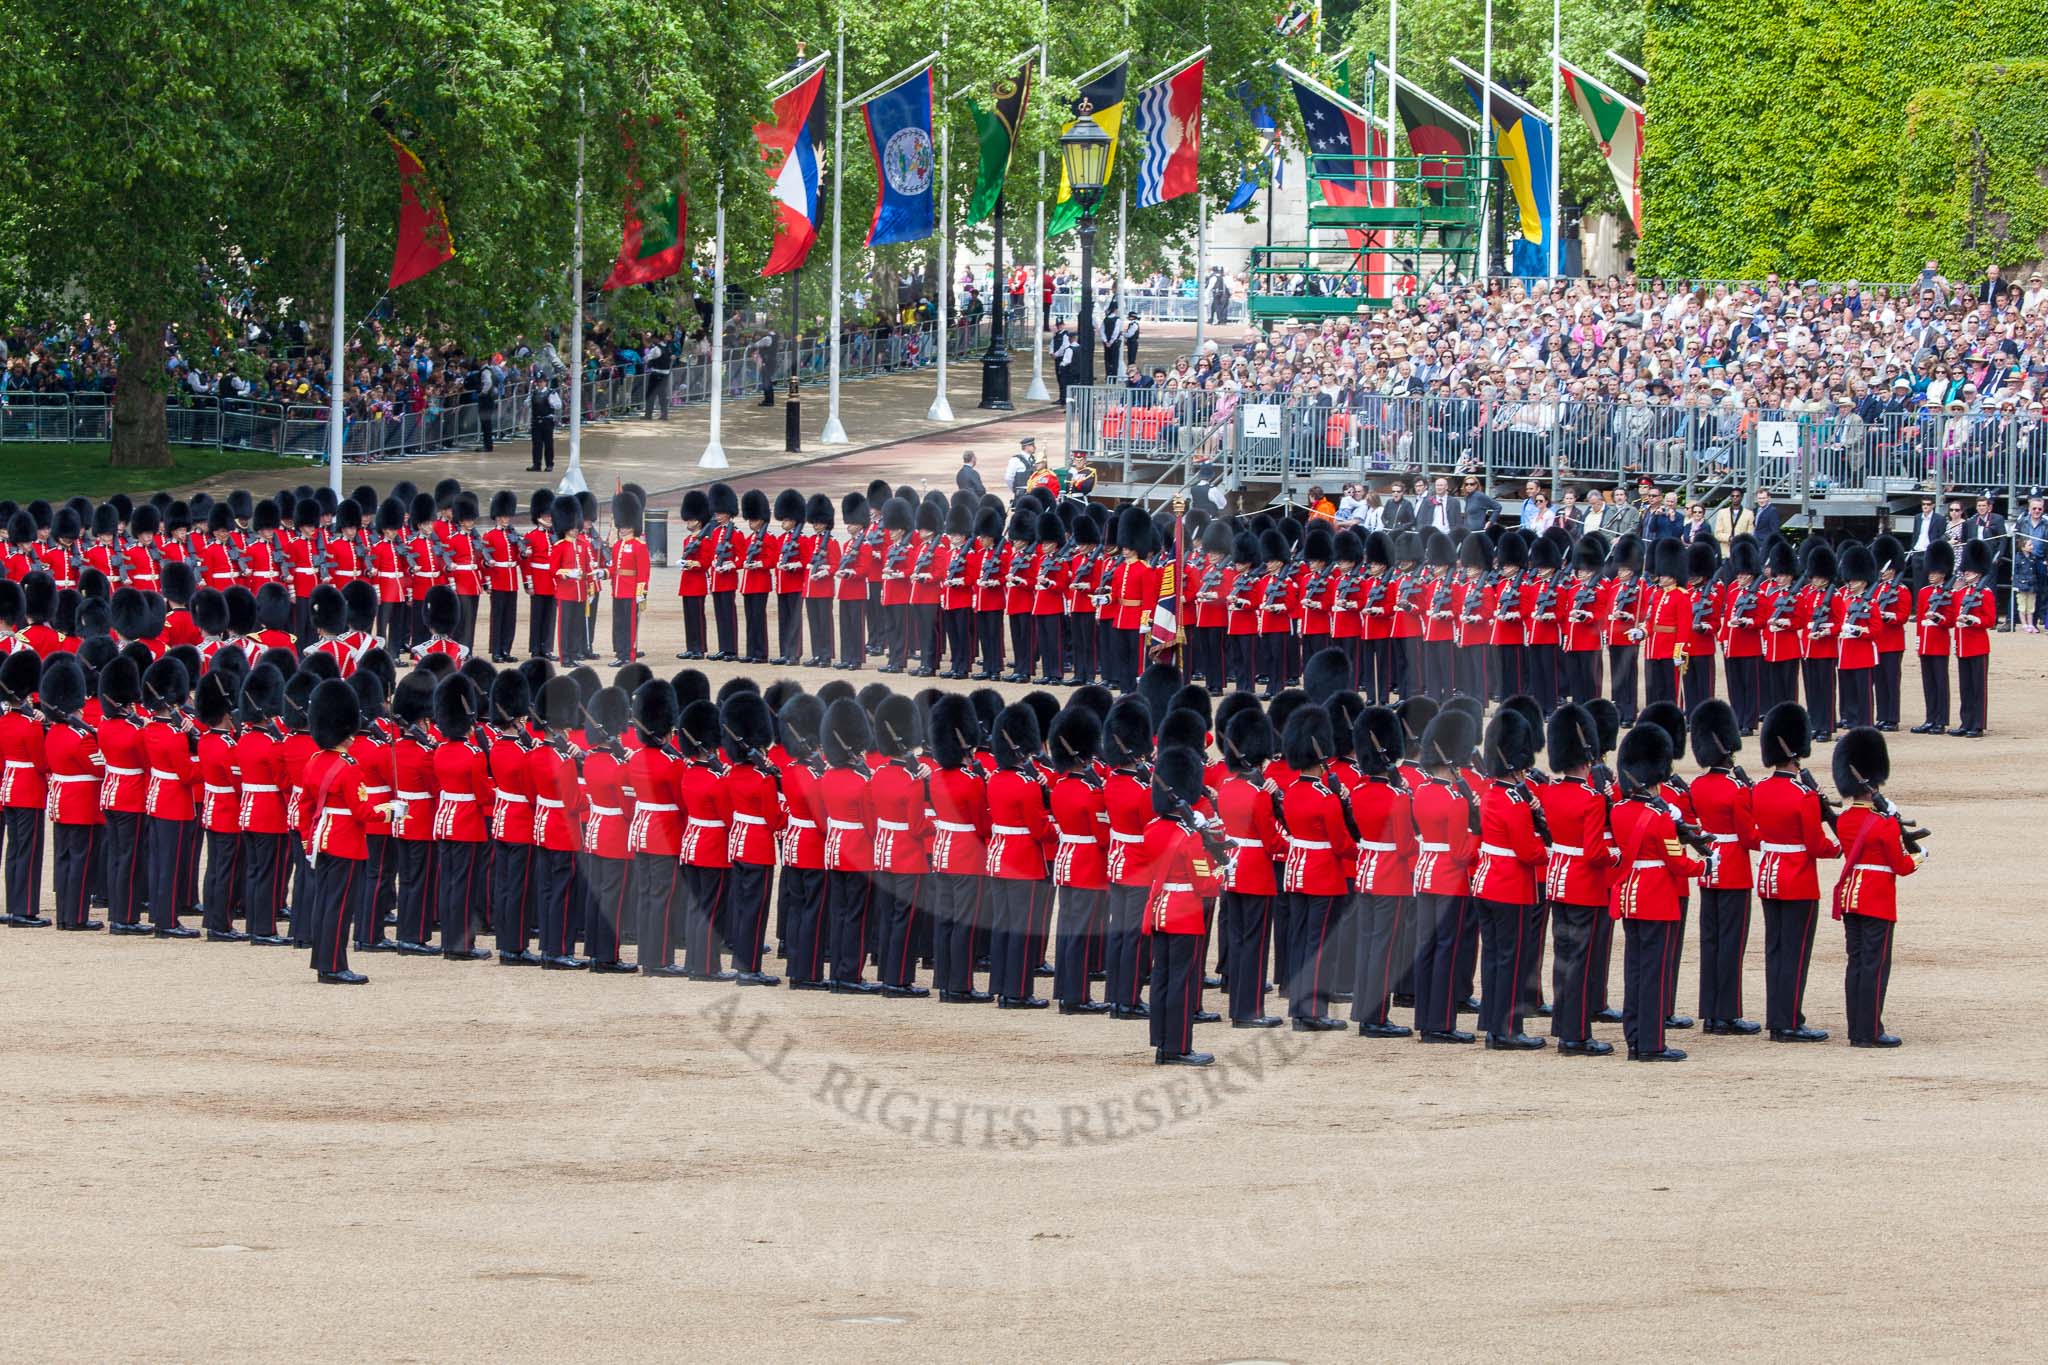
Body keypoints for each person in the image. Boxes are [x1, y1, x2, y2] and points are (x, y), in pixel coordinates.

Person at [1609, 723, 1703, 1061]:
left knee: (1634, 970)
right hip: (1656, 898)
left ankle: (1635, 1037)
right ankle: (1651, 1043)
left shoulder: (1618, 811)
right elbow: (1677, 863)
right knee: (1653, 973)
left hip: (1629, 897)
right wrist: (1706, 865)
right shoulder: (1659, 817)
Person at [1829, 728, 1924, 1048]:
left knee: (1856, 963)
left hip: (1850, 898)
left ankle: (1857, 1028)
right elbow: (1901, 866)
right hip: (1876, 899)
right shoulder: (1882, 824)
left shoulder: (1843, 820)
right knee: (1874, 966)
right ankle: (1870, 1031)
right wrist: (1921, 856)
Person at [1752, 702, 1839, 1043]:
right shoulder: (1803, 795)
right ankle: (1789, 1021)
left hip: (1768, 875)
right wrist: (1839, 847)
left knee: (1775, 950)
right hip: (1797, 879)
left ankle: (1778, 1017)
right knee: (1795, 952)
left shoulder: (1759, 789)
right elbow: (1816, 844)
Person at [1143, 744, 1225, 1066]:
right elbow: (1205, 882)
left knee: (1162, 976)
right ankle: (1179, 1047)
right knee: (1182, 980)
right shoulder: (1189, 836)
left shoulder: (1152, 829)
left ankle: (1163, 1042)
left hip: (1159, 908)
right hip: (1184, 912)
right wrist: (1221, 867)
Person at [302, 678, 373, 984]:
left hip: (323, 837)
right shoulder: (349, 766)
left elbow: (306, 804)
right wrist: (391, 812)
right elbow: (362, 812)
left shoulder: (316, 760)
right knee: (340, 907)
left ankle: (323, 961)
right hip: (345, 840)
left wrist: (309, 837)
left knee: (324, 902)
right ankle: (334, 966)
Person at [529, 377, 559, 472]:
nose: (540, 384)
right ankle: (536, 464)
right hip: (536, 420)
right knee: (536, 443)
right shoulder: (534, 393)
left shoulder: (551, 393)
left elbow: (558, 405)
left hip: (547, 421)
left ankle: (549, 464)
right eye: (538, 382)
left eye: (542, 382)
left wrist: (551, 402)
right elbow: (526, 403)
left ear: (545, 382)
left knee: (548, 443)